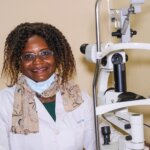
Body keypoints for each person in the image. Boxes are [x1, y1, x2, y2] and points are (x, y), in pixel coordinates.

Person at [0, 22, 96, 150]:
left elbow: (97, 143)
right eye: (28, 56)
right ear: (19, 62)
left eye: (45, 53)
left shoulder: (80, 98)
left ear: (57, 56)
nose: (38, 61)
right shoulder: (5, 102)